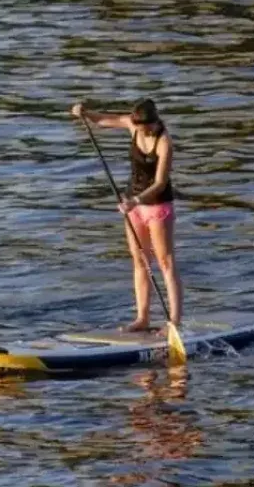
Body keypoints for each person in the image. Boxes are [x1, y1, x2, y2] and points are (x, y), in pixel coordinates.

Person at [70, 98, 182, 332]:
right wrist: (85, 113)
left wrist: (137, 201)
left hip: (157, 206)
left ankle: (174, 321)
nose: (143, 131)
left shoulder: (164, 142)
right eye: (139, 127)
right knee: (140, 261)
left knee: (165, 262)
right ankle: (143, 318)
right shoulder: (132, 125)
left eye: (146, 128)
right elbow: (103, 120)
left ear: (153, 122)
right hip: (133, 206)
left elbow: (161, 183)